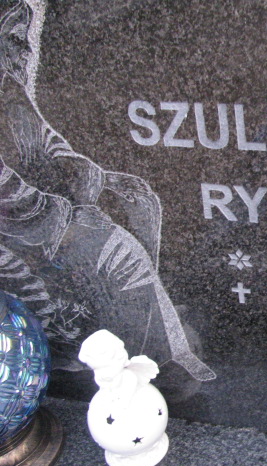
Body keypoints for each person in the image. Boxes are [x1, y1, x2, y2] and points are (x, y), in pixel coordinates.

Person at [0, 0, 215, 381]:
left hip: (48, 211)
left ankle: (155, 340)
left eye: (26, 40)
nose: (25, 50)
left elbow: (49, 144)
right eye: (17, 39)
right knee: (118, 251)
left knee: (142, 203)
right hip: (21, 229)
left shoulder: (9, 91)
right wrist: (71, 217)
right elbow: (11, 197)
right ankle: (146, 361)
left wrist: (100, 176)